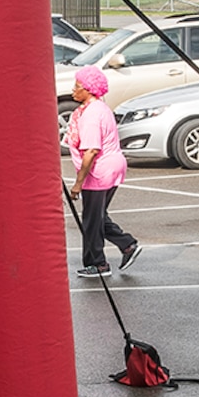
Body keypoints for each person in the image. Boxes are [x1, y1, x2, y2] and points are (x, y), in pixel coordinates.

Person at [65, 66, 140, 279]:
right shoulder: (100, 108)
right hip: (112, 166)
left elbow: (91, 150)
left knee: (91, 219)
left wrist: (78, 183)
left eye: (77, 87)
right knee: (97, 216)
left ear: (88, 90)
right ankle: (127, 245)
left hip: (100, 171)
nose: (73, 90)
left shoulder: (91, 114)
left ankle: (97, 264)